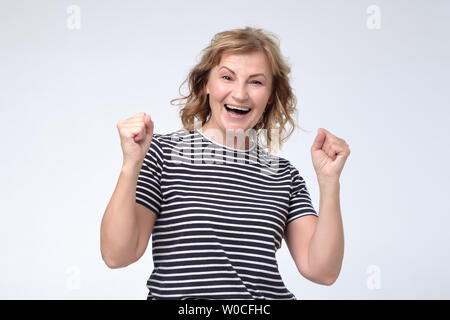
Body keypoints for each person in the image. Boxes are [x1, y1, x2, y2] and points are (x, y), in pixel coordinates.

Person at [100, 26, 350, 300]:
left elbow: (322, 271)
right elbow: (117, 255)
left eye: (256, 82)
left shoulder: (283, 175)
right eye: (227, 77)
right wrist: (130, 165)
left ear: (270, 96)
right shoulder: (161, 152)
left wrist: (329, 183)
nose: (240, 93)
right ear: (207, 83)